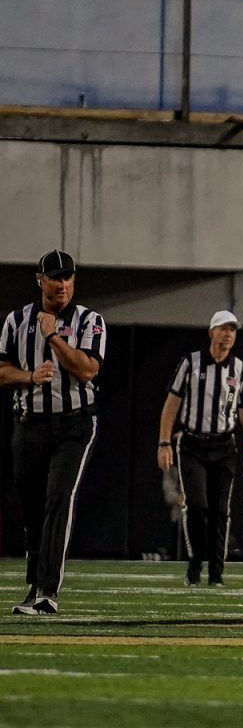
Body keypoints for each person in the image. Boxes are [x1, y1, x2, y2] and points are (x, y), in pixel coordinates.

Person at [0, 250, 105, 615]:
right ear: (39, 280)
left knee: (58, 498)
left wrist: (55, 339)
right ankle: (33, 587)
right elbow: (1, 372)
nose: (62, 284)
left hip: (75, 423)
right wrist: (29, 377)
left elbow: (88, 370)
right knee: (31, 508)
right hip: (30, 422)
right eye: (56, 277)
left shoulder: (90, 320)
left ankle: (47, 592)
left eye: (68, 278)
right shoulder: (16, 320)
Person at [156, 310, 243, 587]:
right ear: (211, 332)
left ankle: (216, 573)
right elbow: (171, 404)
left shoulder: (239, 369)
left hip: (224, 445)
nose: (227, 335)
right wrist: (164, 442)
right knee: (198, 505)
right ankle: (195, 561)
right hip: (192, 444)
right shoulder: (191, 363)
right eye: (223, 329)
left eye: (232, 330)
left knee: (220, 510)